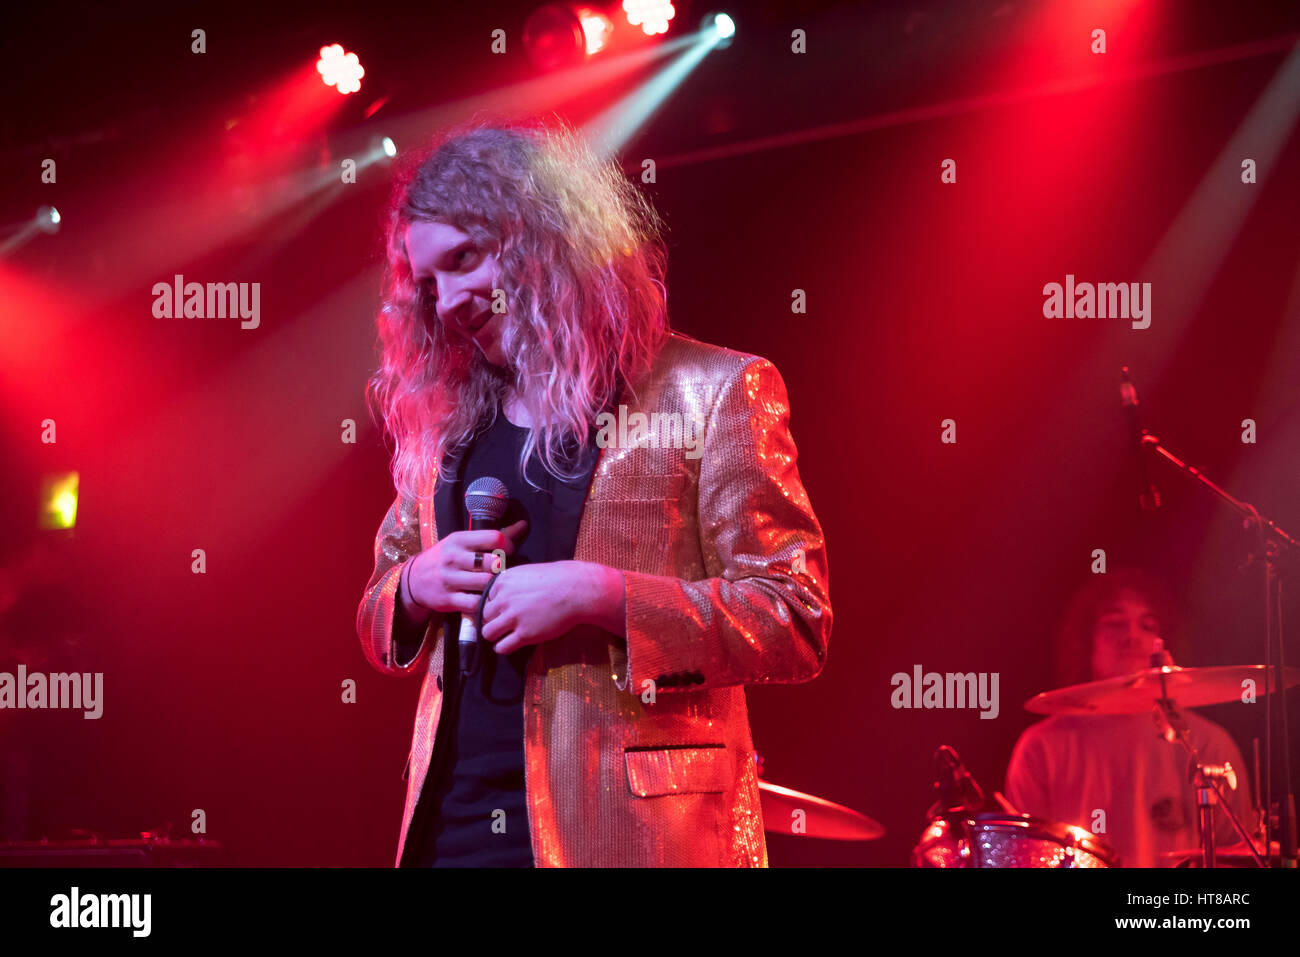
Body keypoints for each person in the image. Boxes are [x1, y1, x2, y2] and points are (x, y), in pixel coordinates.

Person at [355, 120, 832, 867]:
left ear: (543, 237)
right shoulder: (452, 427)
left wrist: (601, 593)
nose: (446, 301)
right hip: (455, 831)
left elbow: (793, 618)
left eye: (466, 259)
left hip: (633, 838)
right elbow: (380, 603)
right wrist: (415, 584)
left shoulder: (714, 391)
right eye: (428, 282)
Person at [1005, 569, 1258, 867]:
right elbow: (1021, 858)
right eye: (1114, 623)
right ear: (1087, 641)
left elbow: (1238, 857)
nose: (1132, 635)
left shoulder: (1207, 743)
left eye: (1147, 625)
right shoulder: (1040, 747)